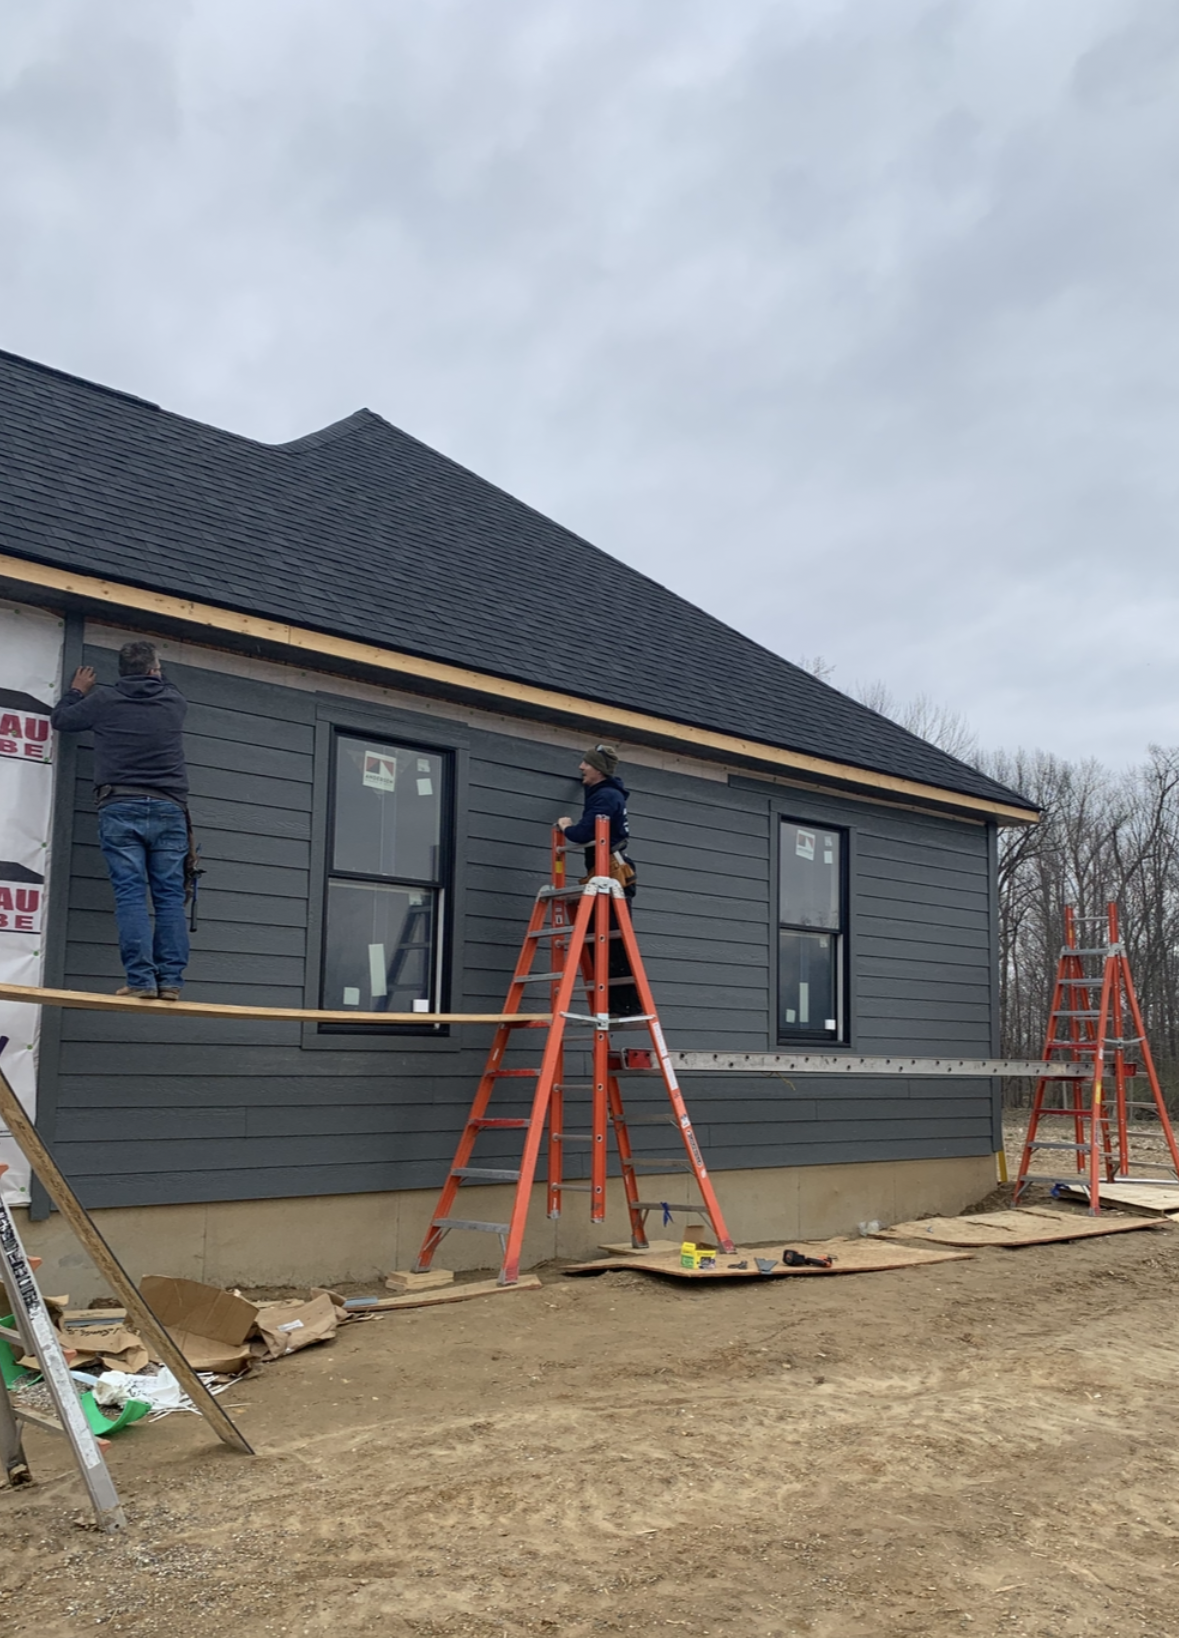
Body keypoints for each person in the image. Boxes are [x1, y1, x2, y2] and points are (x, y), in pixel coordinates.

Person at [51, 641, 191, 1001]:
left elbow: (62, 720)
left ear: (121, 673)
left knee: (131, 895)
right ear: (154, 671)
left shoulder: (104, 701)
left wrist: (75, 692)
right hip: (168, 807)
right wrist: (155, 671)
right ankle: (171, 981)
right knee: (170, 898)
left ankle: (141, 980)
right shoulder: (174, 702)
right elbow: (163, 680)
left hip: (120, 805)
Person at [557, 744, 641, 1015]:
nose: (581, 767)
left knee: (612, 941)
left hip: (611, 874)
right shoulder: (603, 793)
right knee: (602, 939)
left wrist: (566, 827)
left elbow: (583, 832)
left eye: (587, 764)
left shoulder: (605, 797)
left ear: (600, 770)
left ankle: (625, 1005)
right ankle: (617, 1004)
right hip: (604, 873)